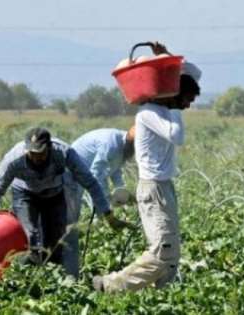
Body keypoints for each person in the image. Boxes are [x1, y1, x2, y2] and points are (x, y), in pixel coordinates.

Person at [93, 44, 202, 292]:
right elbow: (177, 136)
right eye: (186, 99)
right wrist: (174, 105)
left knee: (171, 252)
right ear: (174, 94)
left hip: (164, 186)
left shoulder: (163, 110)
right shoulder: (149, 113)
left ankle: (164, 295)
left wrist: (167, 58)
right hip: (153, 188)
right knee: (162, 249)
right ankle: (110, 286)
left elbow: (194, 73)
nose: (187, 106)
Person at [0, 127, 131, 268]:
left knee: (57, 242)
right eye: (31, 153)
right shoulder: (14, 159)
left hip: (54, 194)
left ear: (49, 147)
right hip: (25, 194)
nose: (35, 158)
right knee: (31, 237)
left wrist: (107, 214)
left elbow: (90, 182)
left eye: (40, 153)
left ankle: (53, 280)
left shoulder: (64, 152)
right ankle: (25, 277)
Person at [63, 127, 136, 278]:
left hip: (88, 173)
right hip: (72, 172)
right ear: (131, 143)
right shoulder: (111, 144)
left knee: (97, 212)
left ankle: (89, 247)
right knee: (72, 218)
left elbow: (115, 171)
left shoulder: (124, 148)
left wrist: (121, 192)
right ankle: (68, 265)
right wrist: (106, 201)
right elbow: (95, 176)